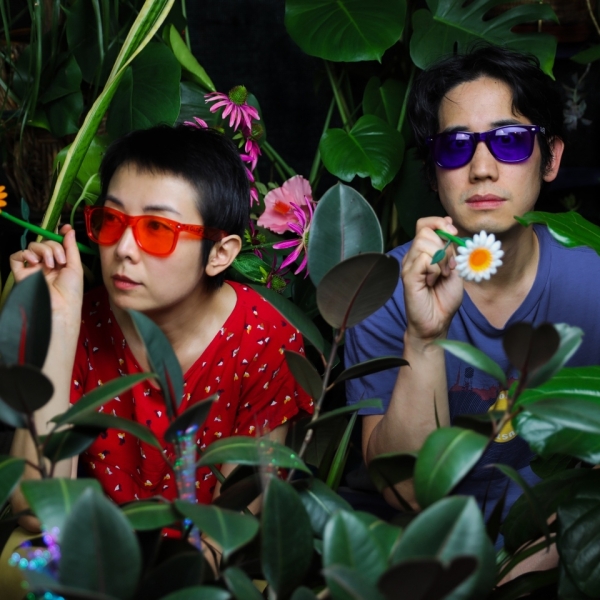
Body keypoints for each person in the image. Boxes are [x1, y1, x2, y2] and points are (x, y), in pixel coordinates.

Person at [345, 44, 600, 578]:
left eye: (509, 141)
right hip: (414, 559)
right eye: (456, 147)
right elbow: (406, 491)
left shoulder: (592, 279)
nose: (482, 169)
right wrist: (424, 336)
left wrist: (526, 568)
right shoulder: (381, 292)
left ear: (551, 158)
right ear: (434, 172)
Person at [7, 124, 313, 538]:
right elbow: (36, 511)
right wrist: (57, 326)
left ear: (219, 253)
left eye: (156, 229)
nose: (123, 249)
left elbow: (232, 528)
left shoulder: (266, 338)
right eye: (112, 220)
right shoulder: (81, 319)